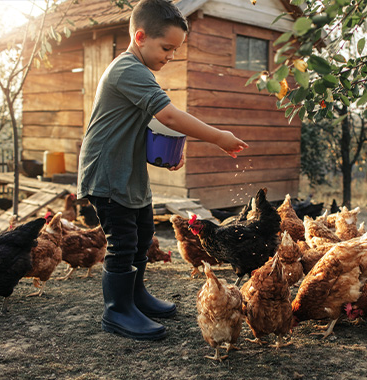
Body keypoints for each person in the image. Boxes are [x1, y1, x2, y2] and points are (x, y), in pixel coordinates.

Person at [77, 0, 248, 341]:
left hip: (129, 174)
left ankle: (135, 297)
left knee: (141, 237)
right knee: (123, 243)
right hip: (108, 175)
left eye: (175, 49)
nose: (170, 55)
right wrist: (218, 138)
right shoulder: (128, 69)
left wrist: (164, 153)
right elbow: (168, 115)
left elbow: (139, 124)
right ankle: (117, 311)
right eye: (166, 47)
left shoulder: (138, 72)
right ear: (140, 36)